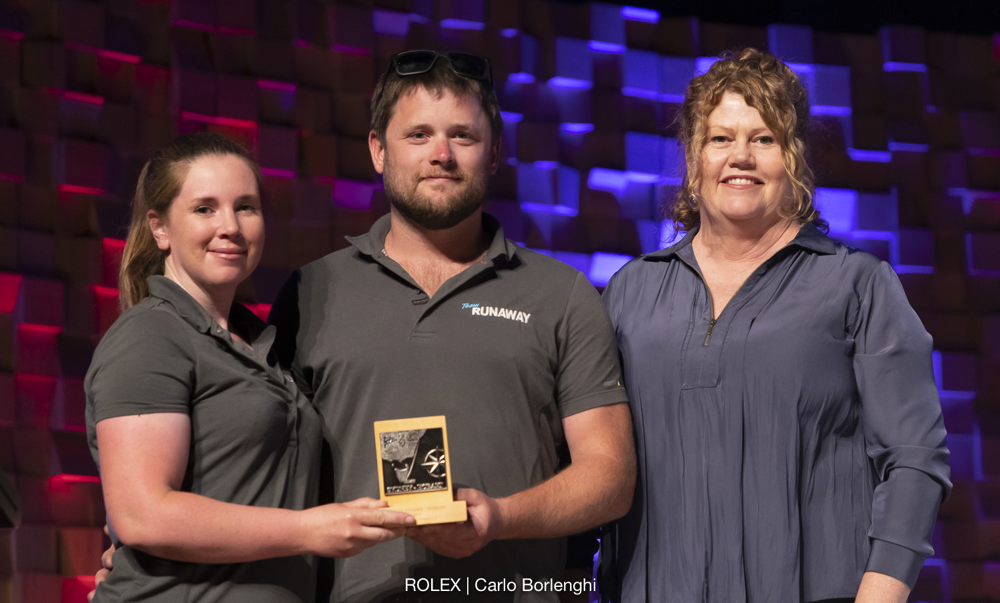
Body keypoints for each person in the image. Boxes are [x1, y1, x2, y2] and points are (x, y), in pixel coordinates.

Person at [269, 50, 636, 602]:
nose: (440, 154)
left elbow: (610, 477)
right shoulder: (311, 293)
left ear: (494, 155)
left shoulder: (561, 295)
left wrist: (500, 517)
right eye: (418, 134)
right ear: (377, 150)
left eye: (462, 135)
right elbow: (260, 459)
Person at [598, 48, 951, 603]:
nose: (741, 156)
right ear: (692, 160)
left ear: (795, 159)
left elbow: (915, 461)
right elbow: (594, 465)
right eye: (720, 139)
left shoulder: (857, 285)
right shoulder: (629, 293)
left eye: (764, 139)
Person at [85, 132, 413, 602]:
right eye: (204, 208)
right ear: (160, 228)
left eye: (246, 207)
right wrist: (307, 529)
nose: (230, 226)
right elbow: (143, 515)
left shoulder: (265, 343)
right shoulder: (151, 336)